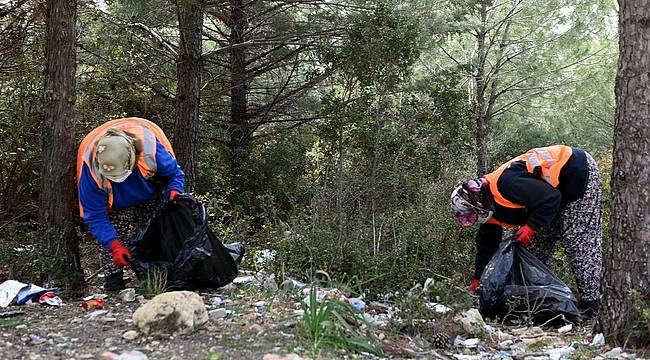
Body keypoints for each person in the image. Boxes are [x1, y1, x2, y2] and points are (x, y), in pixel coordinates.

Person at [450, 145, 602, 317]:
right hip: (548, 196)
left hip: (576, 171)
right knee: (533, 252)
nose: (473, 220)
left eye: (471, 216)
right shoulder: (489, 209)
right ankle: (546, 302)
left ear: (477, 205)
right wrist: (479, 278)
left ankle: (591, 302)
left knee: (578, 241)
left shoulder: (507, 184)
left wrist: (531, 226)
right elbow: (487, 245)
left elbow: (552, 198)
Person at [77, 117, 184, 291]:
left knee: (154, 229)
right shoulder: (90, 172)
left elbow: (175, 175)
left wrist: (174, 190)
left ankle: (155, 275)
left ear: (132, 157)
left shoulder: (151, 150)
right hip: (115, 202)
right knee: (111, 233)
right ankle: (114, 282)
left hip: (148, 189)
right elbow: (95, 215)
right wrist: (115, 246)